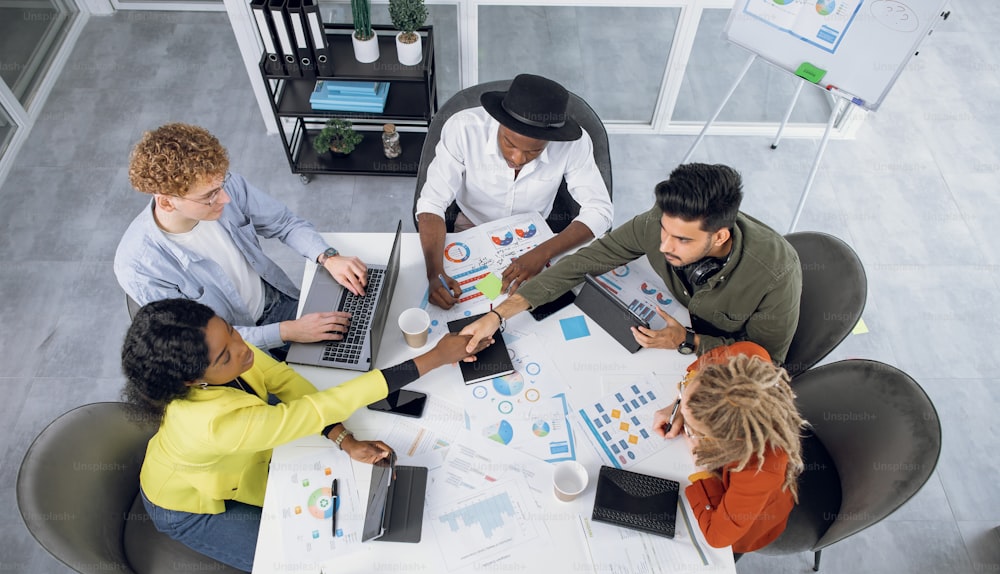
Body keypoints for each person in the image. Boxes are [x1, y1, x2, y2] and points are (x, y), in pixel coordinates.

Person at [121, 298, 490, 573]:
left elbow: (283, 380)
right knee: (297, 568)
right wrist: (435, 357)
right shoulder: (213, 425)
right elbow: (321, 406)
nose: (242, 349)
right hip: (188, 507)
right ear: (191, 380)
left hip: (238, 469)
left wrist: (342, 437)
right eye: (225, 357)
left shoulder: (227, 351)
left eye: (231, 331)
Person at [460, 163, 802, 365]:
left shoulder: (776, 273)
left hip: (713, 361)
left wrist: (690, 342)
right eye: (665, 231)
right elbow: (587, 261)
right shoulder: (657, 223)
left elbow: (767, 362)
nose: (664, 246)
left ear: (720, 237)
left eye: (682, 240)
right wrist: (498, 314)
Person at [115, 122, 368, 354]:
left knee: (360, 340)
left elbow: (284, 223)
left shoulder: (221, 186)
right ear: (167, 202)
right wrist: (289, 332)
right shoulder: (140, 266)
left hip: (279, 303)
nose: (225, 198)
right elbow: (203, 340)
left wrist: (327, 257)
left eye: (222, 185)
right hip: (234, 350)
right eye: (210, 196)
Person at [416, 73, 613, 308]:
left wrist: (542, 253)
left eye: (533, 152)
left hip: (534, 238)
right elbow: (431, 204)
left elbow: (600, 211)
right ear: (499, 122)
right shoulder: (464, 129)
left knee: (532, 311)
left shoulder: (575, 144)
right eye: (509, 143)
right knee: (470, 305)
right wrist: (435, 274)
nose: (517, 158)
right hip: (473, 226)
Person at [651, 342, 805, 556]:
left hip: (755, 520)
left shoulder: (759, 469)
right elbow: (707, 362)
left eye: (694, 429)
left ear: (725, 441)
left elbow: (717, 536)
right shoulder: (748, 356)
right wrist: (678, 406)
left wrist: (702, 465)